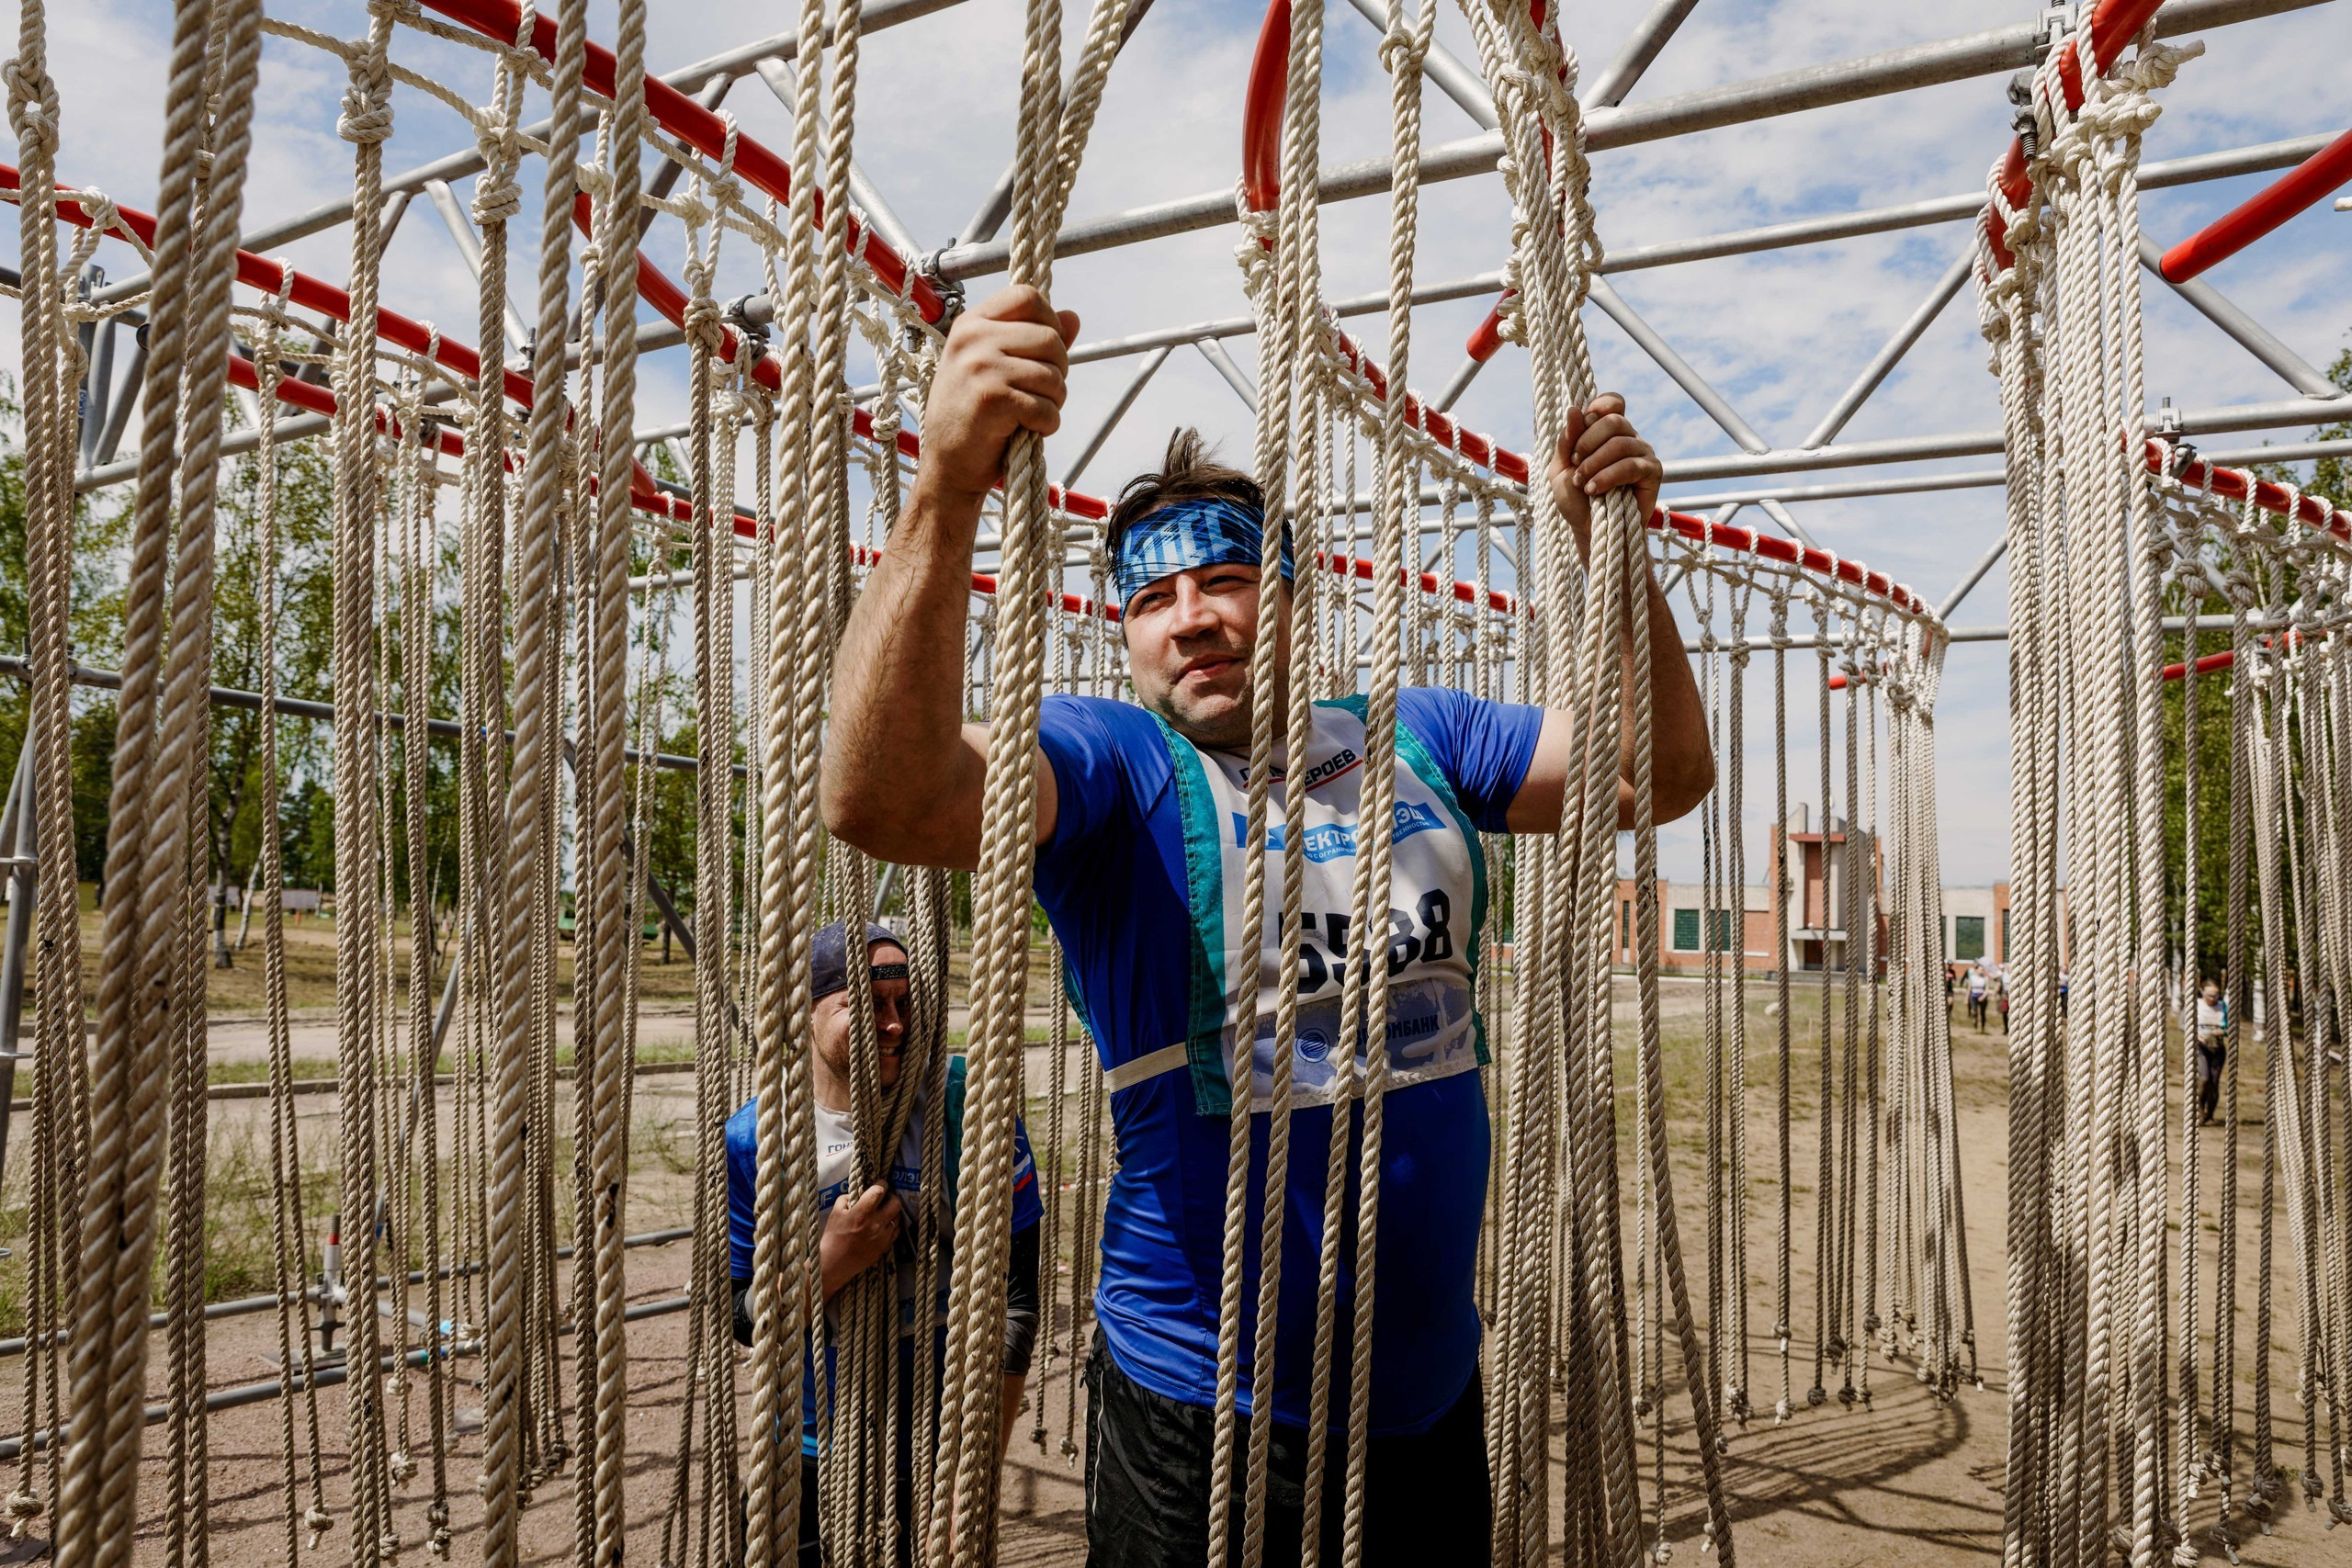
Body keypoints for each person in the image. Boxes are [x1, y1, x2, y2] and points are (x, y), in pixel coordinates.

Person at [821, 285, 1713, 1568]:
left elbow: (1658, 773)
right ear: (1126, 634)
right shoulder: (1115, 764)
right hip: (1202, 1417)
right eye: (1153, 598)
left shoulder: (1419, 735)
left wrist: (1613, 557)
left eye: (1229, 578)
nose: (1192, 614)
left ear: (1296, 597)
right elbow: (882, 796)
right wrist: (946, 487)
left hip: (1428, 1400)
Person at [725, 920, 1044, 1566]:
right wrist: (830, 1262)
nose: (895, 1024)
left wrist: (974, 1479)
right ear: (805, 1014)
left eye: (904, 1002)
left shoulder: (967, 1105)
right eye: (867, 1004)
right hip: (808, 1447)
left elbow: (1015, 1304)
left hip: (936, 1449)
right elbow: (741, 1315)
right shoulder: (757, 1137)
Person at [2194, 976, 2230, 1125]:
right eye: (2210, 995)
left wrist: (2223, 1031)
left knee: (2214, 1083)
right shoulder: (2195, 1004)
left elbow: (2230, 1027)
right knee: (2204, 1078)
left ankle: (2210, 1115)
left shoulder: (2223, 1006)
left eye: (2216, 995)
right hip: (2201, 1048)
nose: (2213, 999)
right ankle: (2199, 1111)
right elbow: (2183, 1024)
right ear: (2202, 992)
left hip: (2217, 1047)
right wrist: (2195, 1034)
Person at [1966, 962, 1988, 1031]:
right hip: (1973, 996)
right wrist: (1966, 999)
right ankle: (1975, 1024)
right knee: (1974, 1011)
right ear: (1977, 970)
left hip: (1982, 997)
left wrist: (1983, 997)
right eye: (1980, 969)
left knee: (1982, 1013)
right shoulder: (1972, 978)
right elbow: (1969, 989)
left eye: (1983, 969)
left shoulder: (1985, 978)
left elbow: (1986, 990)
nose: (1982, 971)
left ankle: (1982, 1027)